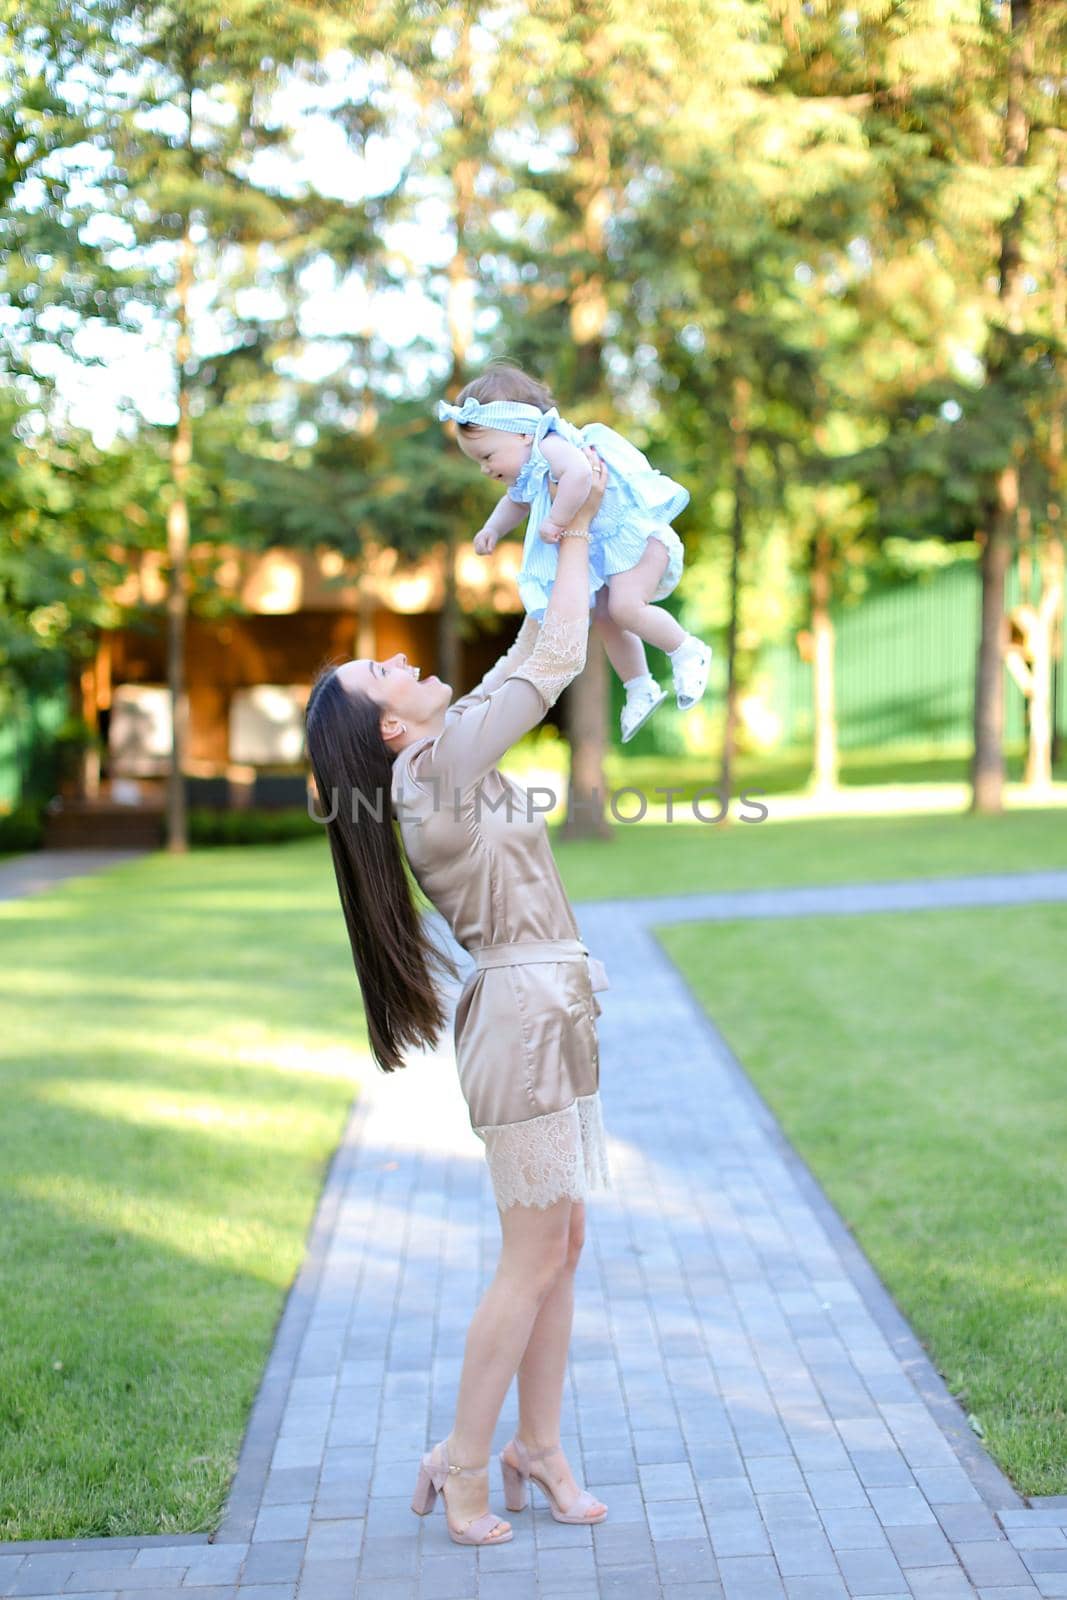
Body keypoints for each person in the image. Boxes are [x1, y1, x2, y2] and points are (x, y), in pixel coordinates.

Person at [304, 447, 627, 1548]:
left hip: (552, 1014)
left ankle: (534, 1446)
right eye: (378, 671)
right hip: (525, 1027)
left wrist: (556, 527)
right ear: (388, 727)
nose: (397, 656)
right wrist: (573, 529)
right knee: (531, 1255)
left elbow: (529, 655)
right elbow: (544, 661)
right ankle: (462, 1464)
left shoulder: (441, 757)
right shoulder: (428, 774)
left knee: (563, 1242)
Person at [437, 360, 713, 744]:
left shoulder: (551, 444)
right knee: (605, 615)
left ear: (521, 434)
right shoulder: (530, 466)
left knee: (624, 609)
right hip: (612, 554)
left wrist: (557, 520)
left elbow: (581, 475)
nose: (485, 469)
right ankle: (640, 686)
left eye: (487, 456)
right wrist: (492, 528)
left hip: (638, 539)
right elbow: (514, 503)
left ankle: (687, 649)